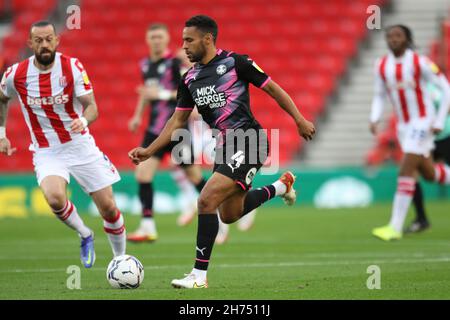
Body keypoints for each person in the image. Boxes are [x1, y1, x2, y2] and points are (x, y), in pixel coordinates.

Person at [128, 15, 315, 288]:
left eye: (189, 40)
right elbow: (176, 121)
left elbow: (274, 90)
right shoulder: (189, 78)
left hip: (250, 140)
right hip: (224, 146)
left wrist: (299, 119)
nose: (184, 46)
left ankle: (198, 276)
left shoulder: (236, 63)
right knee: (229, 214)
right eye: (182, 41)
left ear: (208, 39)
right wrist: (149, 150)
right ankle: (280, 186)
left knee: (205, 200)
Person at [0, 21, 126, 267]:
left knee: (109, 208)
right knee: (55, 198)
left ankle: (120, 260)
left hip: (80, 146)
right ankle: (85, 233)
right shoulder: (16, 74)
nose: (44, 44)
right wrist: (1, 133)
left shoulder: (72, 67)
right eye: (38, 40)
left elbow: (92, 107)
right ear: (30, 43)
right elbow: (2, 98)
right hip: (47, 151)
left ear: (57, 40)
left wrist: (82, 120)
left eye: (49, 39)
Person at [127, 23, 208, 243]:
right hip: (154, 130)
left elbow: (189, 91)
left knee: (194, 177)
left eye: (160, 37)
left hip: (177, 129)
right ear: (147, 40)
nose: (156, 40)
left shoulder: (175, 63)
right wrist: (136, 116)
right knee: (143, 175)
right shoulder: (145, 65)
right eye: (152, 37)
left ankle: (217, 208)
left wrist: (161, 93)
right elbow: (145, 93)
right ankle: (147, 226)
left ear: (166, 39)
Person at [369, 25, 450, 241]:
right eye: (389, 36)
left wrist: (440, 119)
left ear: (407, 39)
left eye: (398, 35)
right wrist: (374, 117)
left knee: (405, 171)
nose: (393, 39)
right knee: (429, 173)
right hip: (404, 128)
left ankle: (394, 227)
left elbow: (445, 87)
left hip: (423, 122)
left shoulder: (420, 62)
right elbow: (378, 95)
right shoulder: (382, 65)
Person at [405, 82, 450, 233]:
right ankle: (421, 219)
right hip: (425, 139)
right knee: (412, 174)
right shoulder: (410, 90)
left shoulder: (432, 88)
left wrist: (437, 119)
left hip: (445, 136)